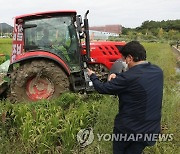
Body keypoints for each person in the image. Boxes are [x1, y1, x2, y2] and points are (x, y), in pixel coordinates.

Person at [87, 41, 163, 154]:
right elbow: (137, 80)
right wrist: (118, 77)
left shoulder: (128, 78)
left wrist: (93, 76)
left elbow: (103, 88)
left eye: (124, 60)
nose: (124, 63)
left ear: (130, 58)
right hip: (151, 130)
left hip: (129, 131)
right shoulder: (157, 71)